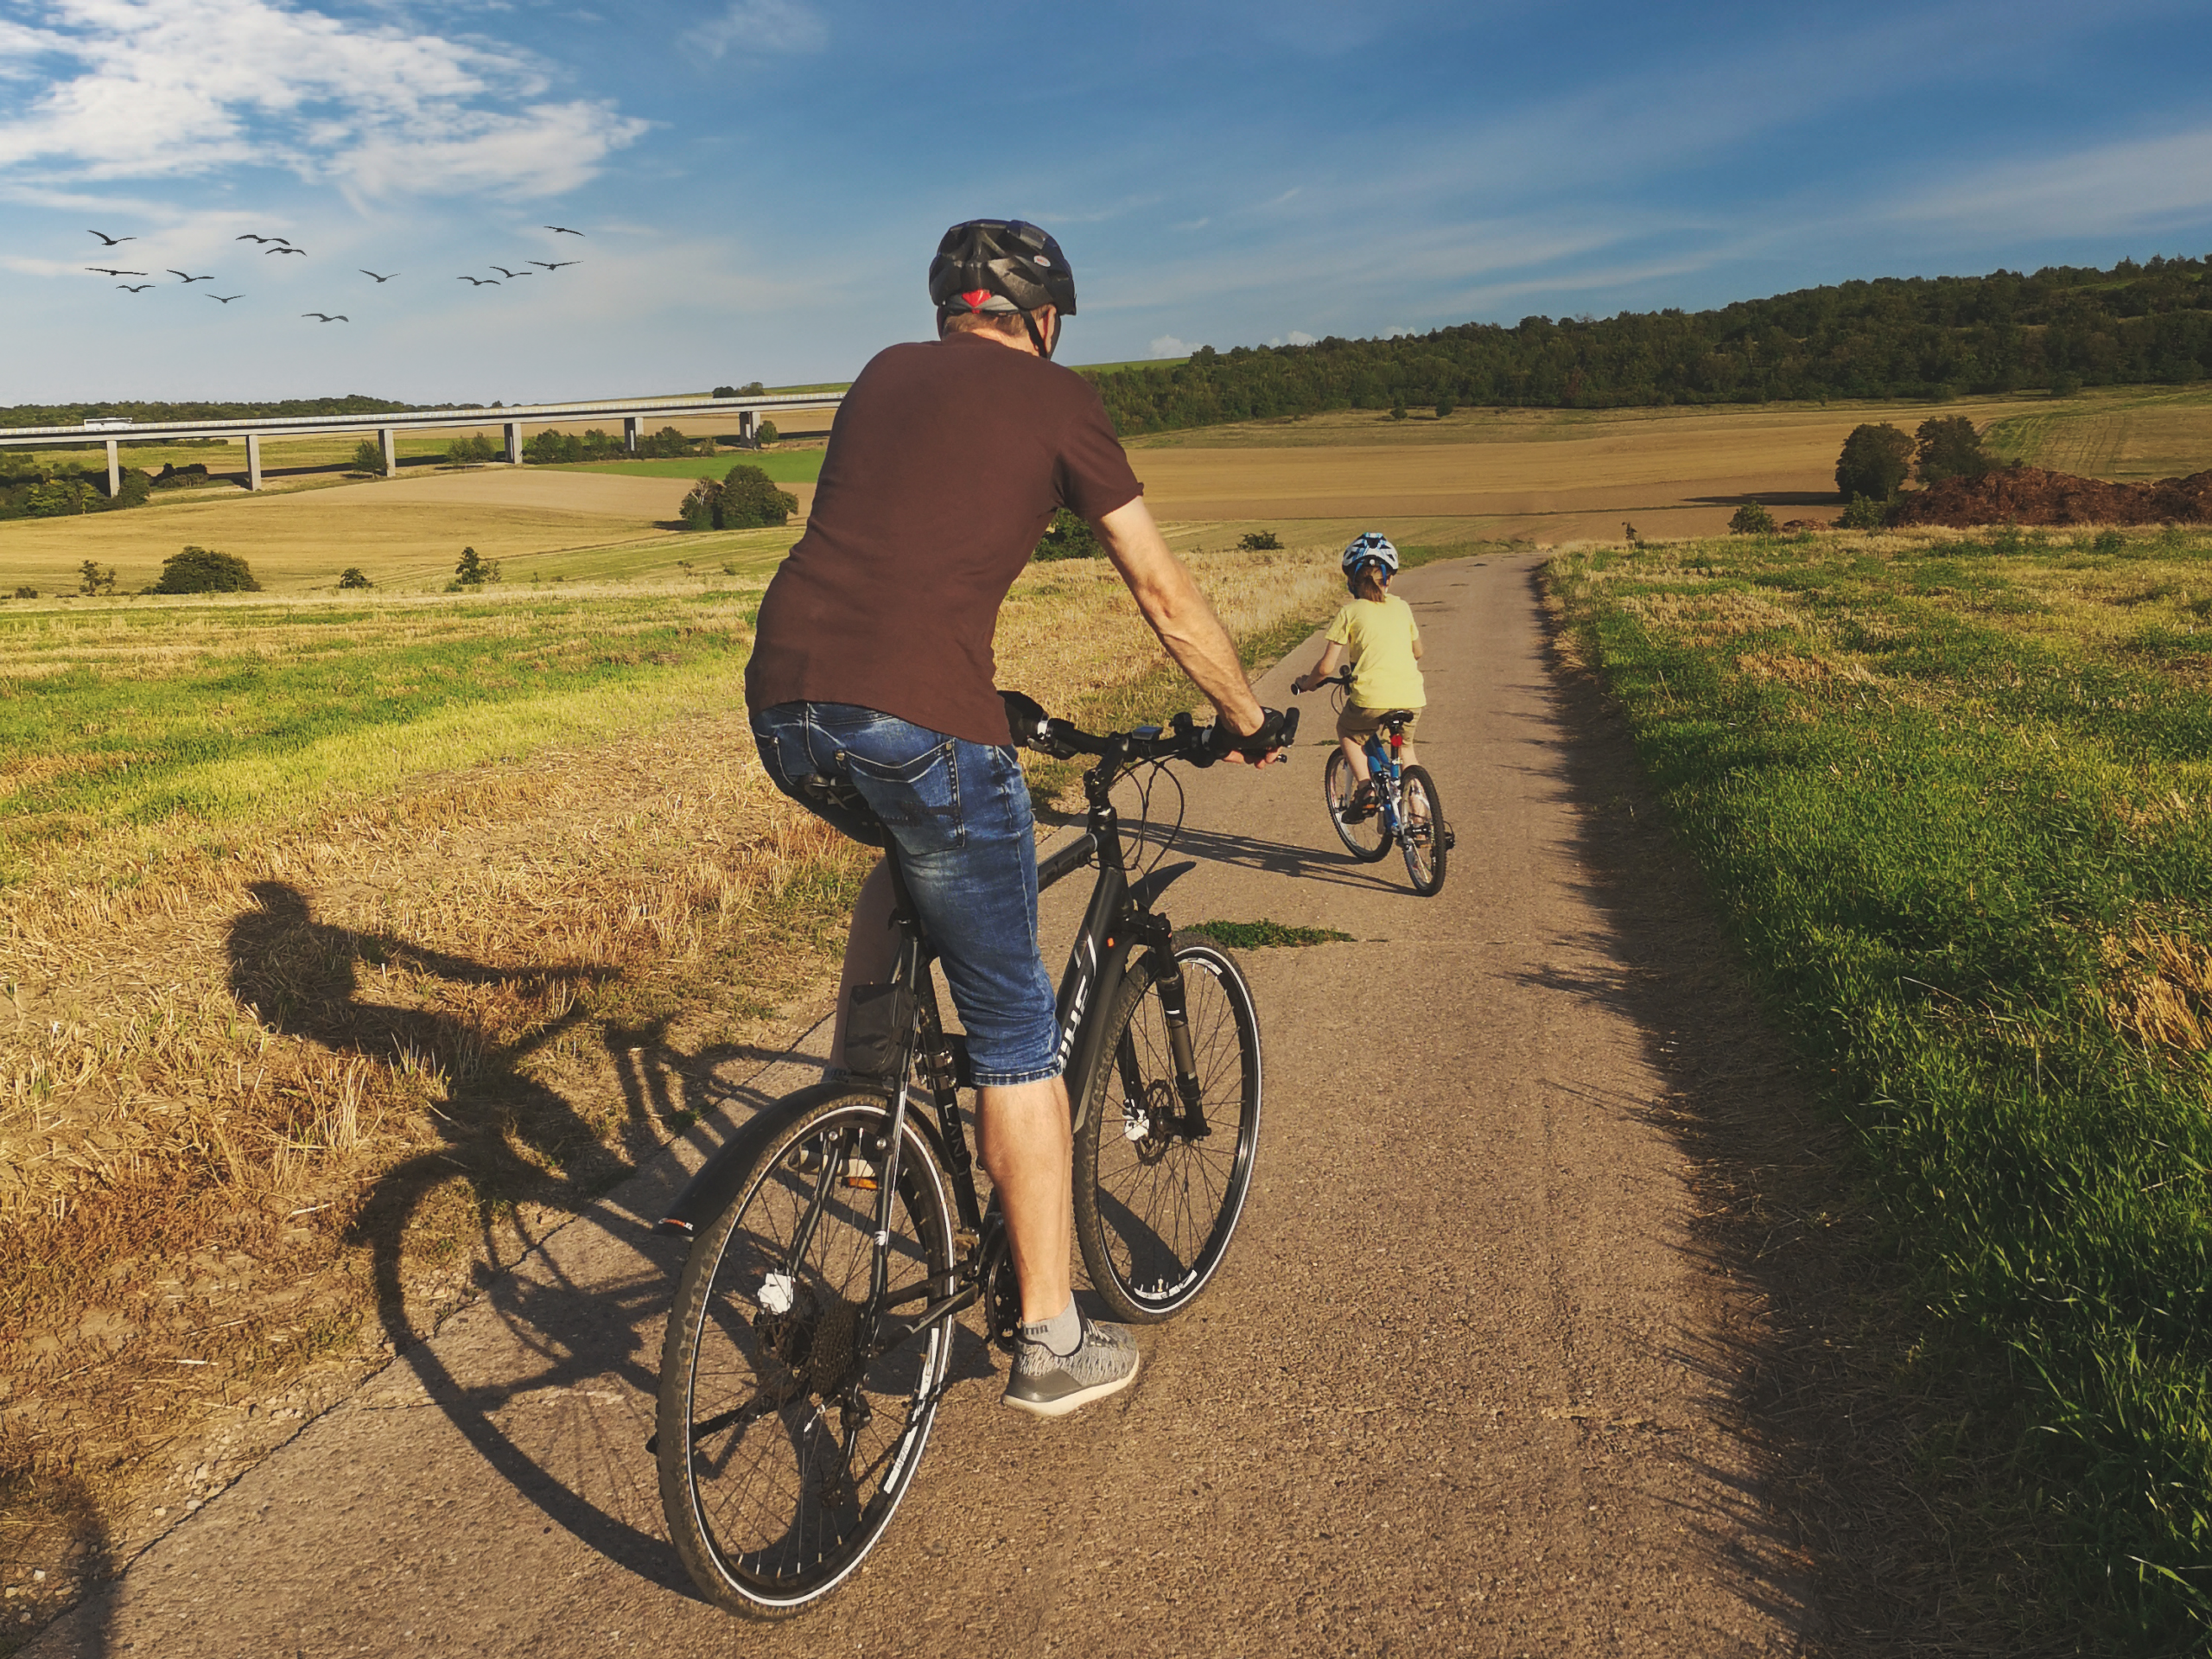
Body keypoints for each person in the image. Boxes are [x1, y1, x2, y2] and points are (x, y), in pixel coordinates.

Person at [744, 219, 1290, 1419]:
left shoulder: (882, 375)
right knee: (1015, 1039)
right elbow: (1157, 585)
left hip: (785, 704)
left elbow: (900, 547)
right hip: (918, 713)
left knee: (911, 847)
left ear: (952, 309)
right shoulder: (1059, 399)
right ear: (1041, 318)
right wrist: (1243, 711)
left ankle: (862, 1086)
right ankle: (1049, 1337)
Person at [1291, 532, 1426, 818]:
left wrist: (1307, 683)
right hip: (1411, 697)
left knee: (1348, 733)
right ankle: (1420, 817)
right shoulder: (1402, 607)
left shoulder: (1350, 611)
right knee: (1406, 752)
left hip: (1370, 699)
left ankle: (1366, 788)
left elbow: (1325, 668)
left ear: (1351, 580)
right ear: (1388, 579)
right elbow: (1418, 652)